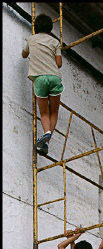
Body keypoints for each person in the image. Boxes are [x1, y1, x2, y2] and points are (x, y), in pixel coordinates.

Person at [22, 13, 63, 156]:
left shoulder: (31, 39)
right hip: (54, 77)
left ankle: (46, 133)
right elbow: (59, 64)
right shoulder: (55, 42)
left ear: (36, 27)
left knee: (44, 112)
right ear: (50, 29)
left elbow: (24, 54)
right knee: (54, 112)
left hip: (39, 79)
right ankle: (47, 140)